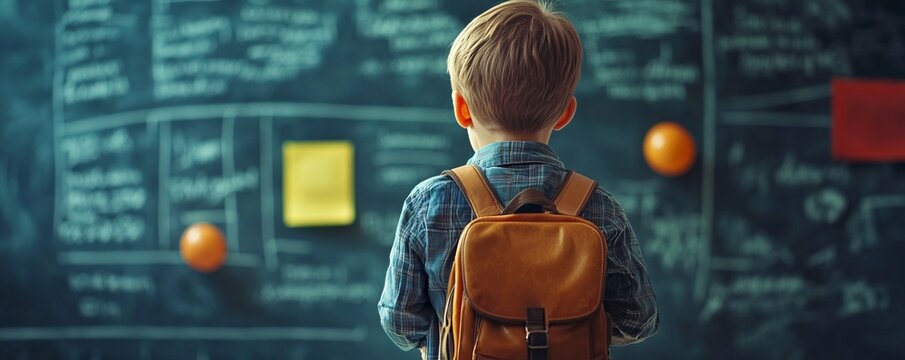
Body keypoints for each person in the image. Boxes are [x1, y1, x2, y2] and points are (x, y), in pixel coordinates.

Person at [378, 1, 659, 359]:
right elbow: (639, 319)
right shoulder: (598, 207)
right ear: (565, 114)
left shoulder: (430, 202)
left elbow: (400, 322)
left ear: (461, 108)